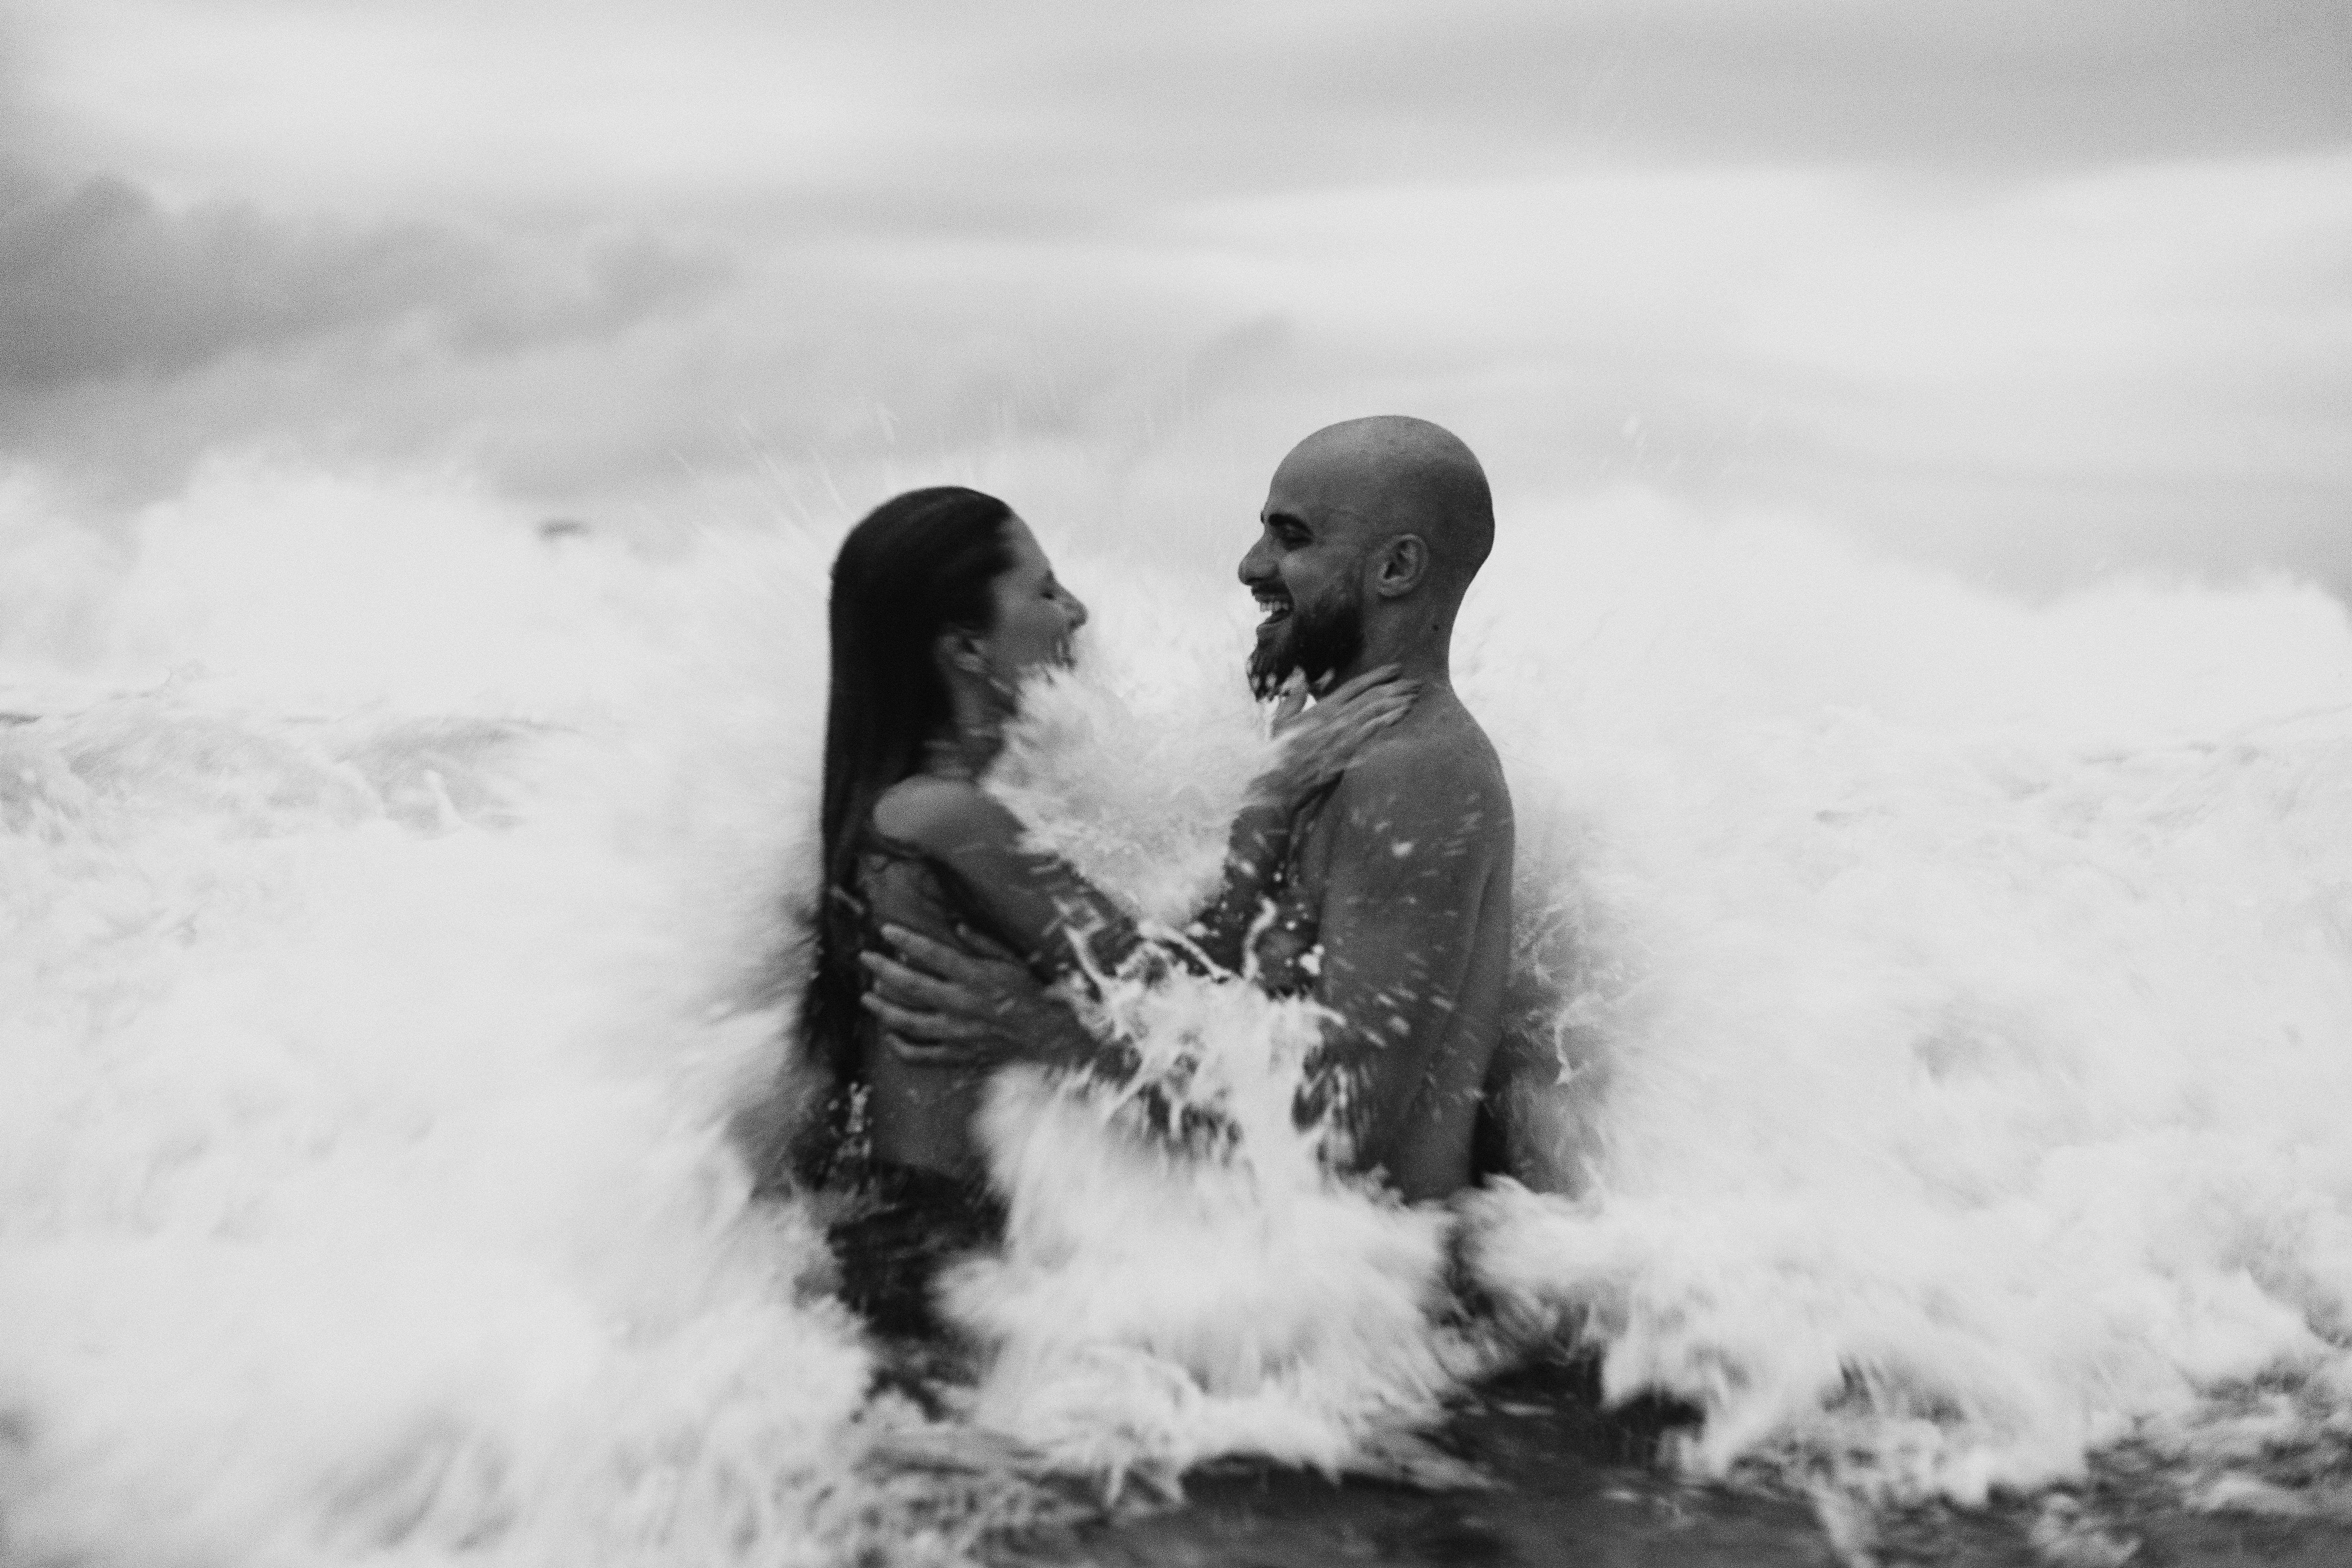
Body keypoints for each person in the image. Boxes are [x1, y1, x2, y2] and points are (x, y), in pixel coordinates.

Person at [799, 485, 1412, 1336]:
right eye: (1046, 591)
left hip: (928, 1240)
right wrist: (1274, 796)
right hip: (938, 1252)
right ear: (967, 648)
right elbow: (1167, 982)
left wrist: (1039, 1025)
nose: (1078, 612)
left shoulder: (918, 811)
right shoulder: (942, 816)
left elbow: (1148, 988)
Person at [866, 417, 1517, 1204]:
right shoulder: (1321, 753)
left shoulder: (1416, 773)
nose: (1251, 566)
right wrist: (1268, 804)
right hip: (1293, 1290)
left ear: (1397, 567)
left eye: (1291, 537)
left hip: (1376, 1301)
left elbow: (1334, 1144)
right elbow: (1198, 997)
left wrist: (1043, 1032)